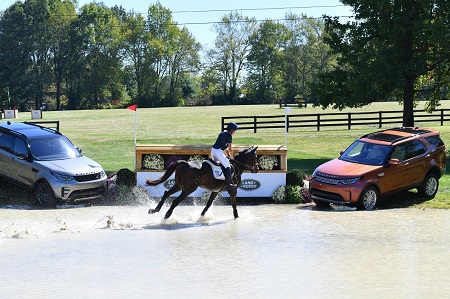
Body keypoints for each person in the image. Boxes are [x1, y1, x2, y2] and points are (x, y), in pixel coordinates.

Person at [211, 122, 239, 189]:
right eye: (234, 130)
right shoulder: (229, 136)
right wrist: (231, 157)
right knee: (227, 166)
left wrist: (226, 156)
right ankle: (227, 183)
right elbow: (230, 149)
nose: (235, 132)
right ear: (231, 130)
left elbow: (222, 148)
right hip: (218, 152)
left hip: (213, 151)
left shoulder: (222, 133)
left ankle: (217, 181)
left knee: (217, 165)